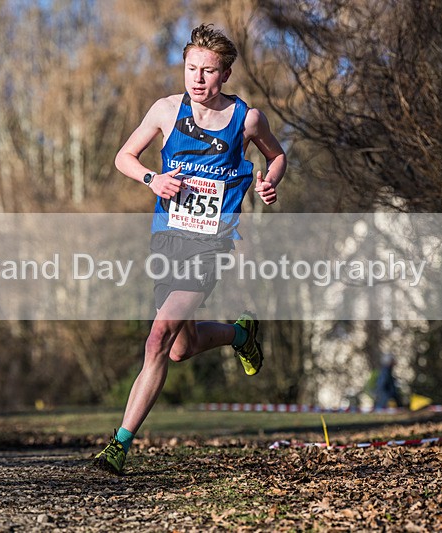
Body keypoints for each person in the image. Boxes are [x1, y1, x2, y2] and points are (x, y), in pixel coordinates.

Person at [93, 23, 287, 474]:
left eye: (209, 71)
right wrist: (152, 178)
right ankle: (241, 334)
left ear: (226, 74)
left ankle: (119, 445)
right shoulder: (165, 110)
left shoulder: (247, 119)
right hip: (167, 239)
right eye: (191, 68)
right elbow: (124, 157)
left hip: (211, 243)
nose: (198, 79)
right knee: (181, 348)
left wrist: (269, 182)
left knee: (157, 338)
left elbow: (276, 155)